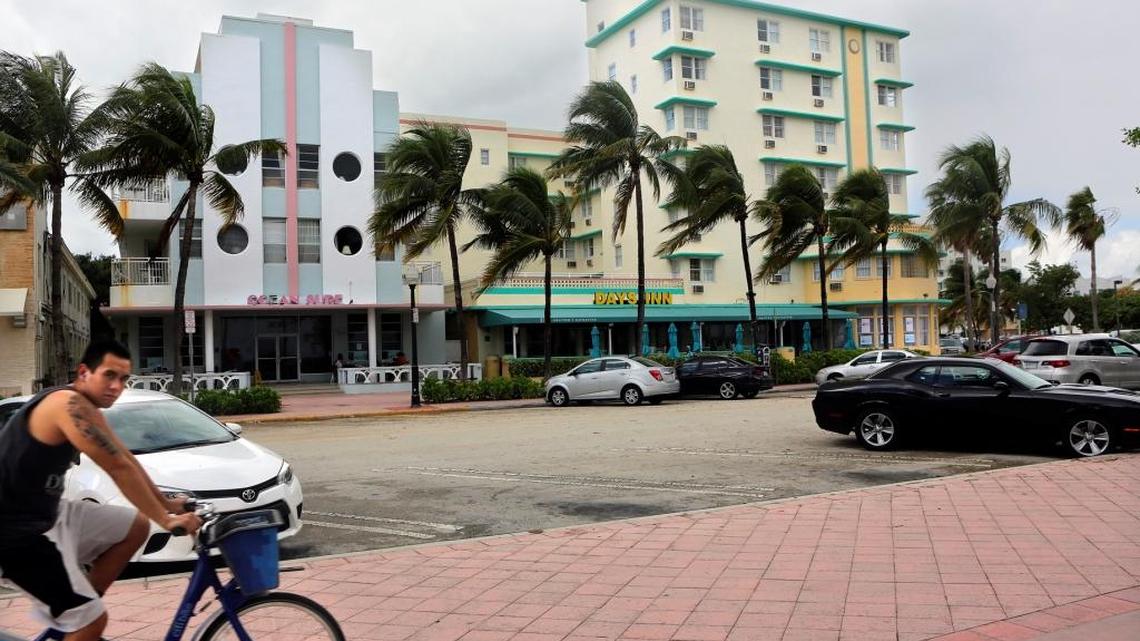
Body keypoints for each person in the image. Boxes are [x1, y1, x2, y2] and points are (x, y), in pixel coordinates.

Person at [0, 340, 202, 641]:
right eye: (109, 375)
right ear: (84, 372)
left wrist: (167, 505)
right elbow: (116, 468)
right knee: (91, 623)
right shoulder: (67, 405)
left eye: (123, 379)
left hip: (49, 514)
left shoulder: (90, 410)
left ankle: (76, 611)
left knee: (135, 526)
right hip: (15, 532)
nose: (116, 386)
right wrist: (167, 520)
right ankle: (81, 621)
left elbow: (126, 459)